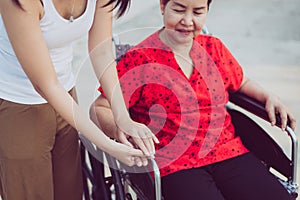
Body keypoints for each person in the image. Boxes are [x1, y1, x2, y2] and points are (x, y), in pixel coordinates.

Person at [91, 0, 297, 199]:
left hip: (227, 150)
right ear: (163, 6)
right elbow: (99, 108)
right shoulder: (140, 60)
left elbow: (241, 83)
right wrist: (123, 129)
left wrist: (269, 97)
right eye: (179, 10)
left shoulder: (213, 49)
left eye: (198, 12)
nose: (188, 21)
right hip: (173, 164)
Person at [0, 0, 159, 199]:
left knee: (71, 193)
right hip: (17, 105)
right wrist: (106, 145)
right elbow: (45, 85)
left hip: (66, 97)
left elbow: (101, 51)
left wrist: (123, 117)